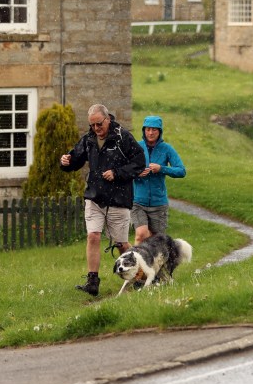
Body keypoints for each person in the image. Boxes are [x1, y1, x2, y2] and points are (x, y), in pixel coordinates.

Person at [60, 103, 149, 296]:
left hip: (118, 199)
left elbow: (140, 163)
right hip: (94, 197)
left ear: (107, 119)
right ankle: (93, 281)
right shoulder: (89, 139)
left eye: (99, 124)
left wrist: (117, 173)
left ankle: (141, 275)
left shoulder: (123, 137)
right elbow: (75, 159)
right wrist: (66, 162)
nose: (96, 129)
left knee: (121, 244)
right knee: (93, 236)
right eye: (92, 125)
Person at [131, 115, 186, 246]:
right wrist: (137, 173)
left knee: (158, 242)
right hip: (138, 202)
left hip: (159, 204)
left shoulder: (167, 149)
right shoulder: (136, 147)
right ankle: (137, 265)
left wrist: (161, 168)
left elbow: (181, 171)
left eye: (154, 130)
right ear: (143, 130)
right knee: (141, 235)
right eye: (148, 129)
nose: (150, 133)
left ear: (159, 131)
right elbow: (124, 170)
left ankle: (154, 264)